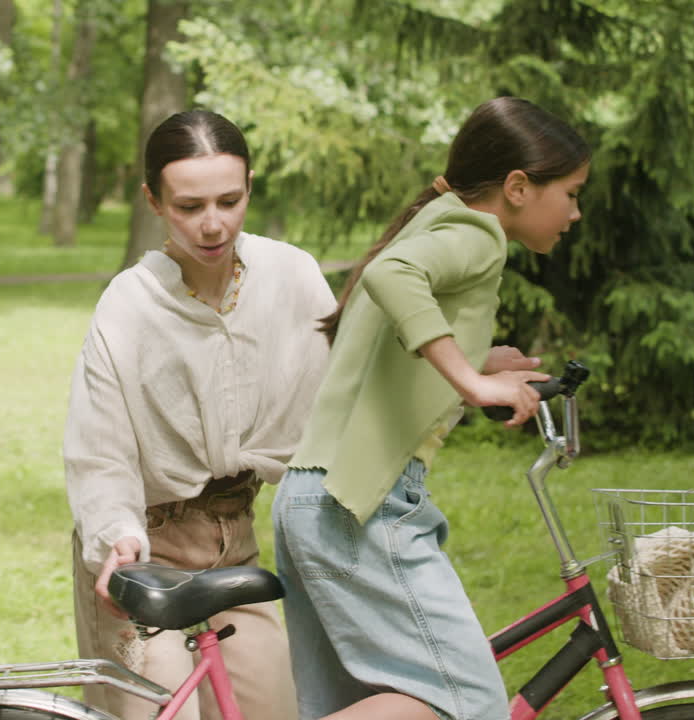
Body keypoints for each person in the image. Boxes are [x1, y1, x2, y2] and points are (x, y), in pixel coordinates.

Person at [272, 96, 591, 720]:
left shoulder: (440, 220)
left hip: (314, 500)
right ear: (519, 187)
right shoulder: (476, 234)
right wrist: (471, 379)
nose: (576, 213)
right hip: (358, 508)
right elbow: (393, 276)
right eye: (572, 193)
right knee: (468, 703)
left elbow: (386, 333)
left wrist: (478, 355)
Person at [64, 109, 335, 720]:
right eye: (189, 206)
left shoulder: (292, 277)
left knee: (271, 710)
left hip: (237, 548)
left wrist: (462, 365)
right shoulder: (128, 306)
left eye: (230, 200)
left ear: (249, 187)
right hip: (144, 552)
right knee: (163, 714)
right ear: (153, 200)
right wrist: (117, 540)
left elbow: (351, 386)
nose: (213, 225)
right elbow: (99, 449)